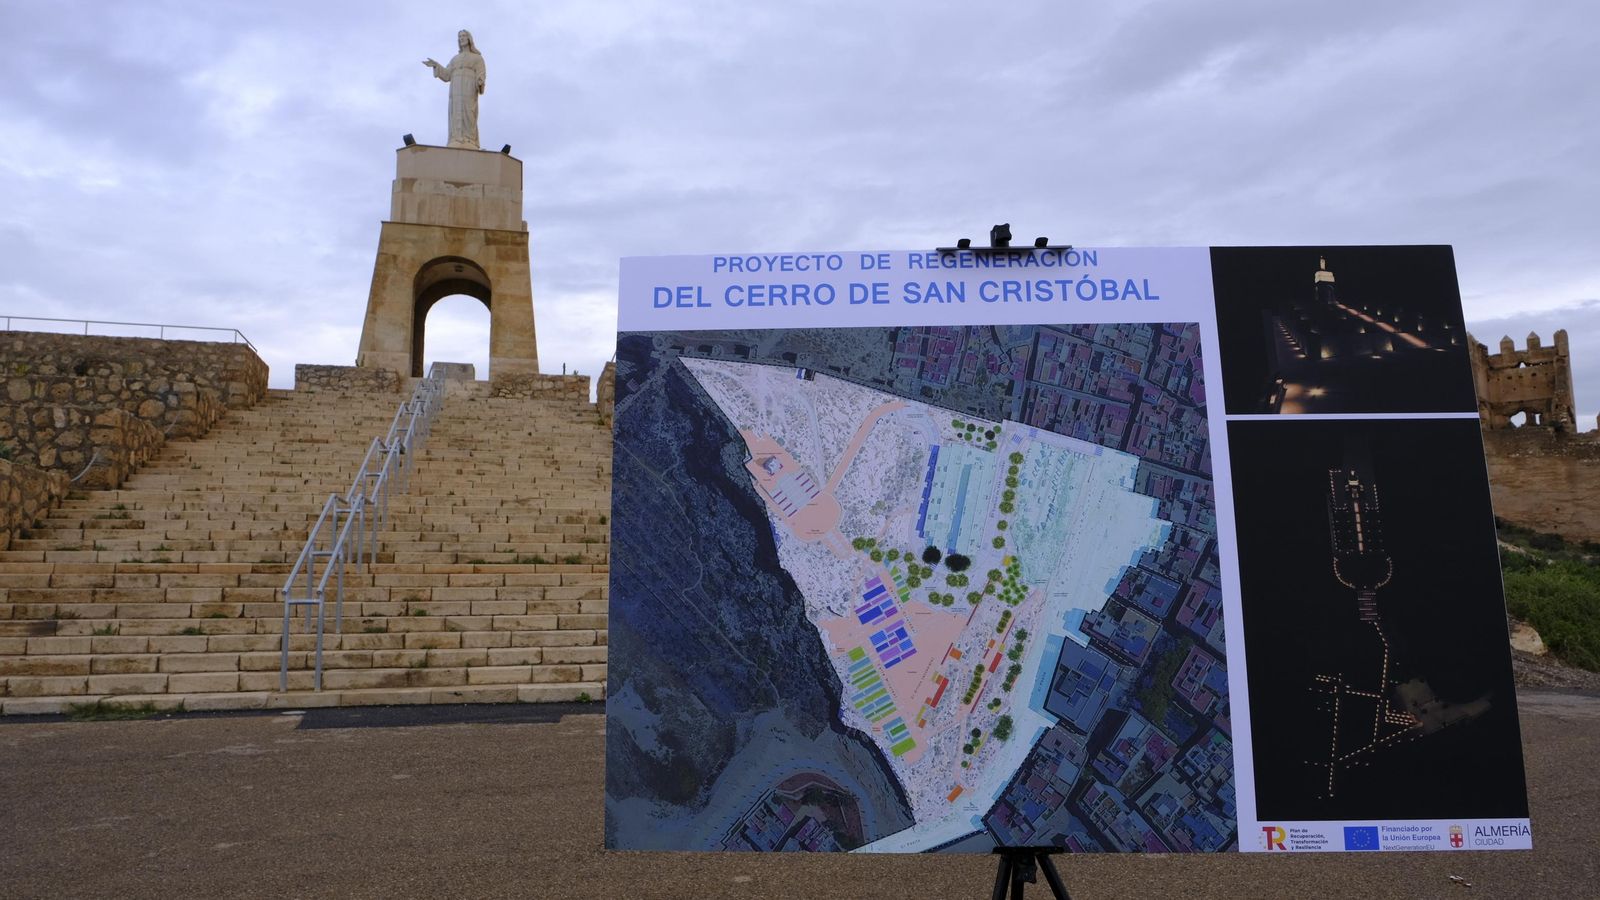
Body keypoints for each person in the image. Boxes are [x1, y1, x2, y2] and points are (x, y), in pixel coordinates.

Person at [423, 30, 486, 149]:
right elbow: (447, 75)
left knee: (469, 110)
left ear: (469, 39)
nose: (461, 38)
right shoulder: (455, 59)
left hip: (469, 86)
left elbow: (481, 73)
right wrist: (436, 65)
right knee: (455, 110)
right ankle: (456, 138)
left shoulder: (477, 58)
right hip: (456, 87)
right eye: (459, 36)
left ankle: (469, 139)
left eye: (464, 36)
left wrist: (480, 81)